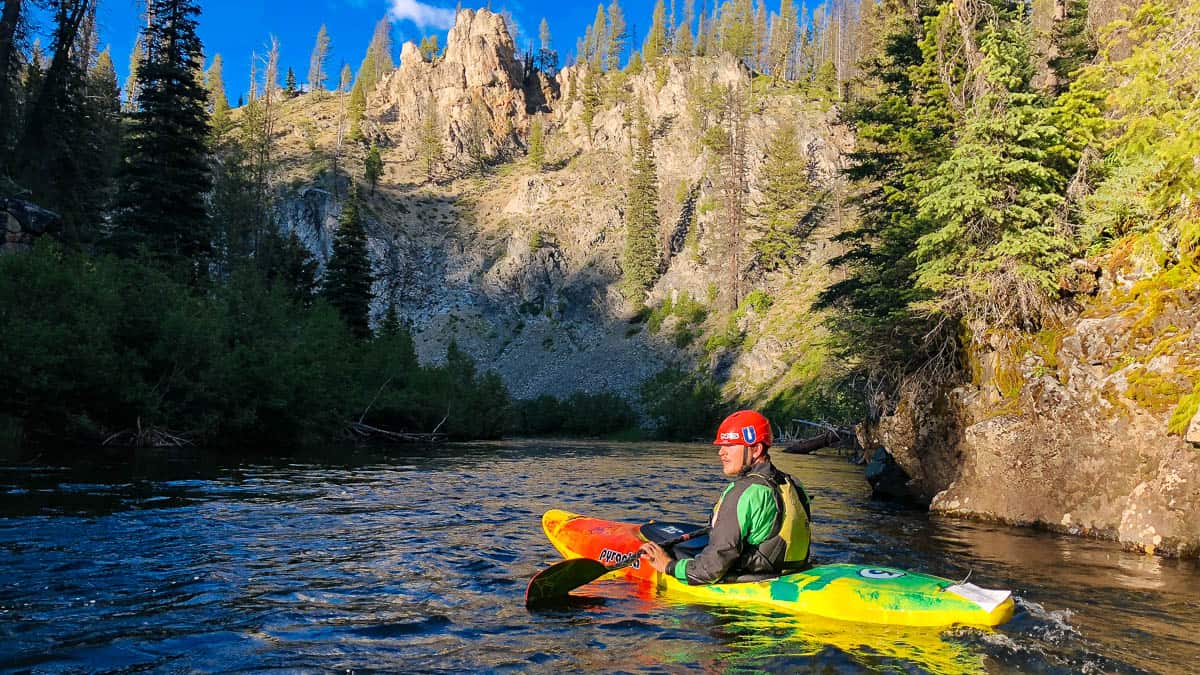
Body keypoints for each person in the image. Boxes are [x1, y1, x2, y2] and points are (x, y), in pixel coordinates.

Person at [638, 410, 811, 584]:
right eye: (721, 446)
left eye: (730, 445)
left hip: (752, 578)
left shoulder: (743, 492)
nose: (721, 452)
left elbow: (711, 569)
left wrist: (668, 565)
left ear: (756, 449)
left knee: (676, 554)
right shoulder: (792, 483)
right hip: (791, 571)